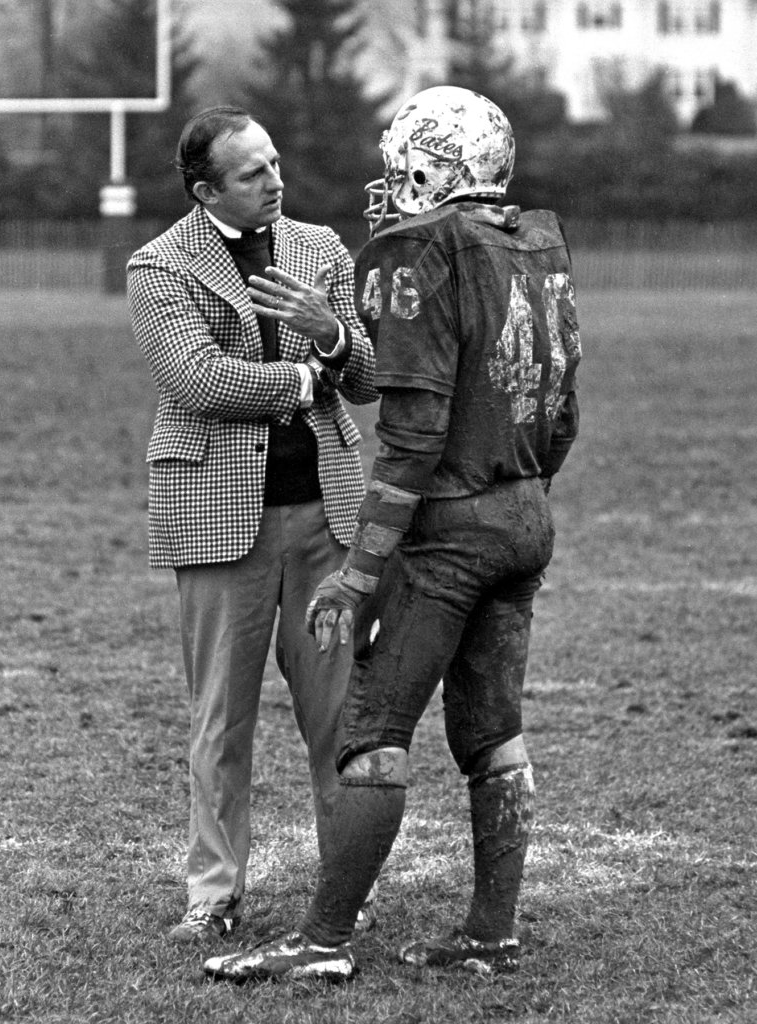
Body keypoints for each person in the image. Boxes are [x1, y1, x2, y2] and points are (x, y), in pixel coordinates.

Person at [203, 86, 582, 982]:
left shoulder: (418, 249)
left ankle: (323, 941)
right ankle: (490, 932)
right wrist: (519, 497)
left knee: (371, 728)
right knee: (491, 731)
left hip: (449, 525)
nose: (389, 184)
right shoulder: (536, 241)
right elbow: (561, 407)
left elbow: (411, 435)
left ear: (431, 168)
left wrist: (358, 569)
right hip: (525, 512)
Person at [126, 106, 378, 949]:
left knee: (337, 716)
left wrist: (331, 335)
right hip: (216, 522)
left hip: (327, 517)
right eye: (251, 172)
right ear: (205, 192)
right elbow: (195, 379)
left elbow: (370, 376)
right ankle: (213, 893)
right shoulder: (158, 264)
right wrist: (305, 381)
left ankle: (345, 887)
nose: (275, 181)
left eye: (273, 162)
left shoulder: (321, 248)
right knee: (220, 719)